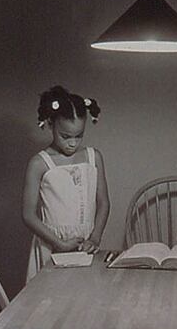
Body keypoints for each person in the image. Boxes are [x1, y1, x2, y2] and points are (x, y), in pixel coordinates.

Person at [23, 86, 110, 281]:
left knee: (83, 298)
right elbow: (28, 215)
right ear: (51, 123)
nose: (72, 143)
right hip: (52, 244)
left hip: (85, 244)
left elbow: (103, 202)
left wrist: (95, 237)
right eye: (65, 136)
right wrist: (59, 243)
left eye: (78, 136)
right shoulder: (39, 163)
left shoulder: (93, 157)